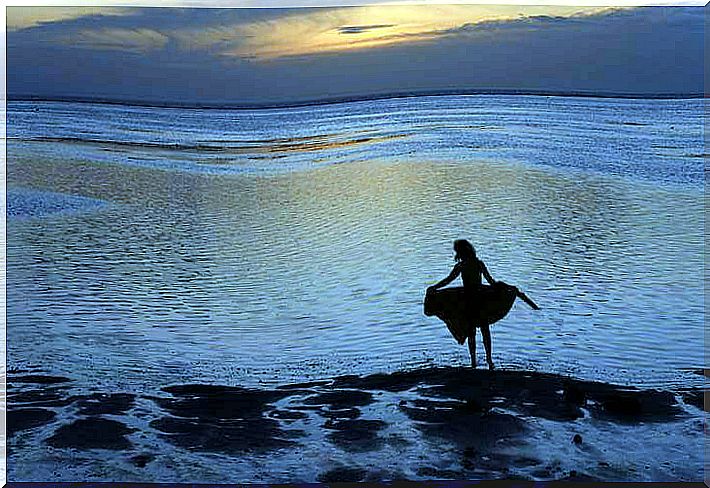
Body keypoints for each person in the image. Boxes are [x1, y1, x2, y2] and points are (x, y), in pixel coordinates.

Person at [427, 239, 496, 369]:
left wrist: (434, 288)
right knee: (485, 331)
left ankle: (474, 362)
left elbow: (448, 280)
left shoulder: (461, 266)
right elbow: (491, 281)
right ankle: (489, 360)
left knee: (472, 333)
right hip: (481, 300)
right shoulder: (478, 264)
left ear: (461, 252)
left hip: (469, 301)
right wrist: (500, 287)